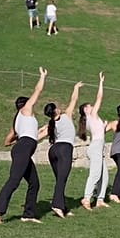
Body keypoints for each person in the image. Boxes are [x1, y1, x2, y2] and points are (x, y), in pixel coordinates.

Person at [0, 67, 48, 224]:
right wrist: (42, 76)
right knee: (14, 180)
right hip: (23, 149)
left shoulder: (17, 121)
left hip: (23, 148)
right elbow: (38, 91)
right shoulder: (26, 110)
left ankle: (28, 215)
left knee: (34, 183)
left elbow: (7, 141)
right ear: (24, 104)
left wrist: (23, 138)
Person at [44, 81, 83, 218]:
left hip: (53, 151)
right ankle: (57, 205)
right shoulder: (66, 115)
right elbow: (74, 100)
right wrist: (76, 88)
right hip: (64, 149)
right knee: (61, 179)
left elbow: (39, 135)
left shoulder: (51, 124)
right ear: (55, 110)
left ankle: (63, 207)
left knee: (61, 179)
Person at [79, 72, 110, 210]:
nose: (93, 106)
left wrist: (103, 127)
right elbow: (100, 97)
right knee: (96, 174)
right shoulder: (91, 115)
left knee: (104, 175)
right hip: (96, 147)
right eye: (90, 106)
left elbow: (99, 132)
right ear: (86, 109)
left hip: (98, 146)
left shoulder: (90, 119)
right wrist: (101, 82)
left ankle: (100, 199)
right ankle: (86, 198)